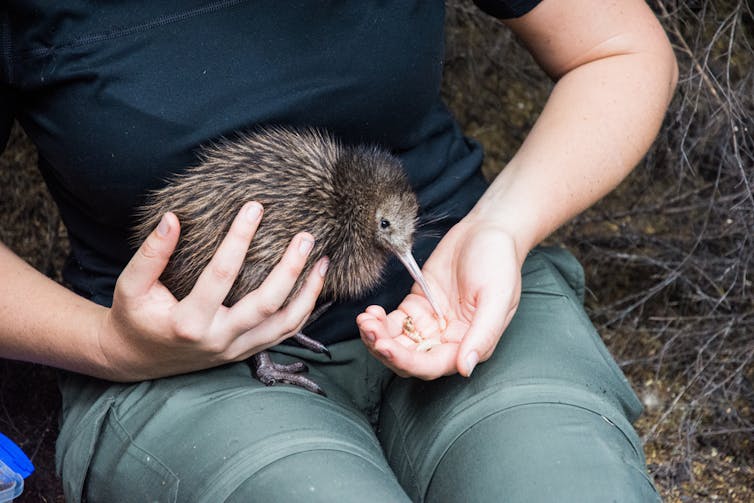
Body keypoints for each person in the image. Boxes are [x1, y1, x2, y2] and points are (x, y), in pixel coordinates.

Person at [0, 0, 677, 501]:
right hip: (174, 362)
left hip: (455, 292)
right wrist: (109, 344)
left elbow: (620, 49)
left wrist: (499, 227)